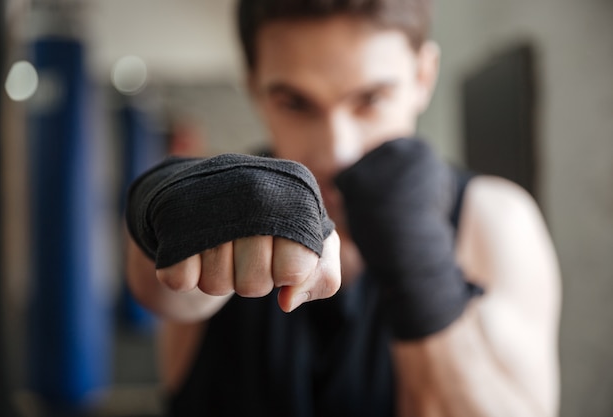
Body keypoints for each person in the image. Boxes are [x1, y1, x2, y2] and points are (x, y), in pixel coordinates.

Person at [125, 0, 561, 415]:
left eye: (370, 99)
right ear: (254, 87)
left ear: (423, 77)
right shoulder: (222, 207)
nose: (337, 151)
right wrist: (161, 215)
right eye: (295, 103)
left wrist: (422, 276)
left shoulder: (493, 218)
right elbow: (163, 286)